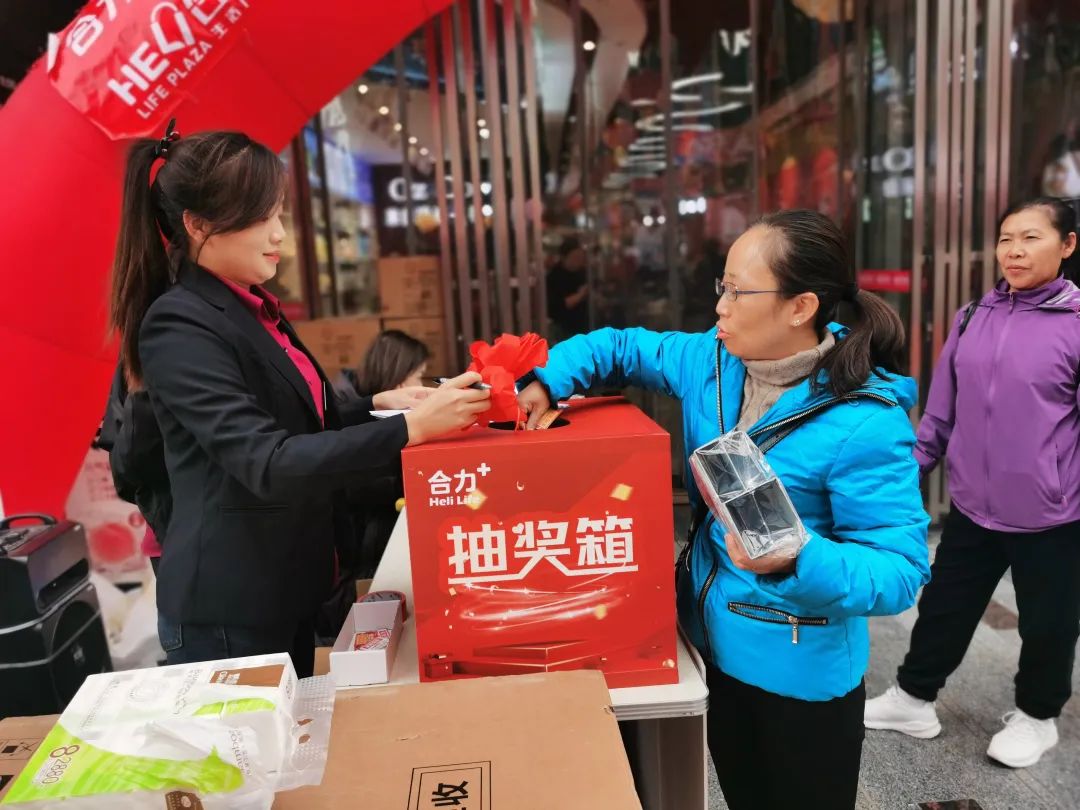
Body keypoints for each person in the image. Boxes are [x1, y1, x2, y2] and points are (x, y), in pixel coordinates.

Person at [518, 209, 930, 810]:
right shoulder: (711, 361)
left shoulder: (864, 420)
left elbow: (900, 570)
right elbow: (620, 346)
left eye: (739, 291)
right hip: (711, 649)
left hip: (799, 677)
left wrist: (798, 559)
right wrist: (547, 380)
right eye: (723, 286)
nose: (721, 307)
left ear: (800, 307)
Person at [110, 122, 489, 678]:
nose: (280, 234)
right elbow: (266, 459)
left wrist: (382, 403)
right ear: (197, 224)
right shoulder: (179, 324)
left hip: (285, 584)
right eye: (261, 218)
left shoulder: (250, 305)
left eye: (280, 214)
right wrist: (410, 430)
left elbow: (293, 414)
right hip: (229, 608)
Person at [865, 197, 1080, 768]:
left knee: (1049, 622)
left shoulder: (1076, 325)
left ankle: (1037, 718)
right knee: (945, 604)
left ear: (1067, 245)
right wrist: (910, 472)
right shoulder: (971, 316)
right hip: (973, 503)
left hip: (1052, 512)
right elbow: (941, 412)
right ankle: (913, 697)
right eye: (1006, 238)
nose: (1014, 251)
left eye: (1031, 238)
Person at [338, 330, 432, 578]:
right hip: (367, 551)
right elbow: (362, 488)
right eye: (419, 376)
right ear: (399, 377)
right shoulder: (348, 416)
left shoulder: (354, 405)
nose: (421, 386)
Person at [546, 236, 590, 340]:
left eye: (581, 257)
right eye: (575, 257)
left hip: (583, 328)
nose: (579, 261)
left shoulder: (583, 273)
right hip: (564, 330)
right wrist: (580, 295)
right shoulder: (554, 276)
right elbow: (558, 306)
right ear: (564, 257)